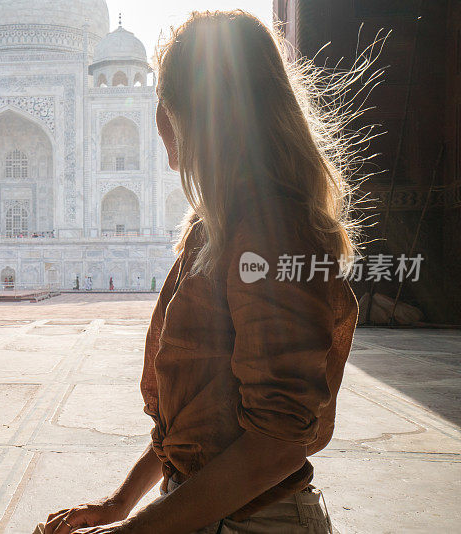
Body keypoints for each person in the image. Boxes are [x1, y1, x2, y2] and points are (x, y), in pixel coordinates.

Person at [44, 10, 361, 534]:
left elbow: (278, 442)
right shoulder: (216, 227)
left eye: (163, 106)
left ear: (185, 116)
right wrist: (121, 503)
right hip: (202, 507)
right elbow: (194, 420)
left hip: (255, 520)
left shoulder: (270, 230)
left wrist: (135, 531)